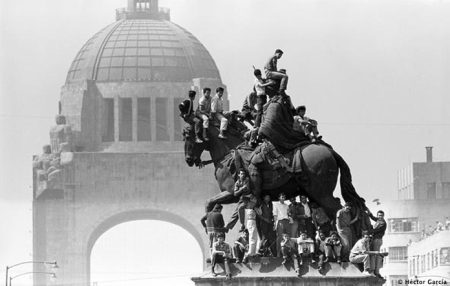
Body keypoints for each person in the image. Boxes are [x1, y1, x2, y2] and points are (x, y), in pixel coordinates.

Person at [367, 209, 386, 278]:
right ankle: (375, 270)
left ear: (383, 216)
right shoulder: (378, 220)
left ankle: (375, 271)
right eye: (379, 215)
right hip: (375, 239)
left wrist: (368, 231)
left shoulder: (382, 223)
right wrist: (369, 213)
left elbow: (376, 230)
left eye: (381, 215)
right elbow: (374, 218)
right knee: (374, 255)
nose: (380, 217)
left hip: (377, 240)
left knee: (375, 255)